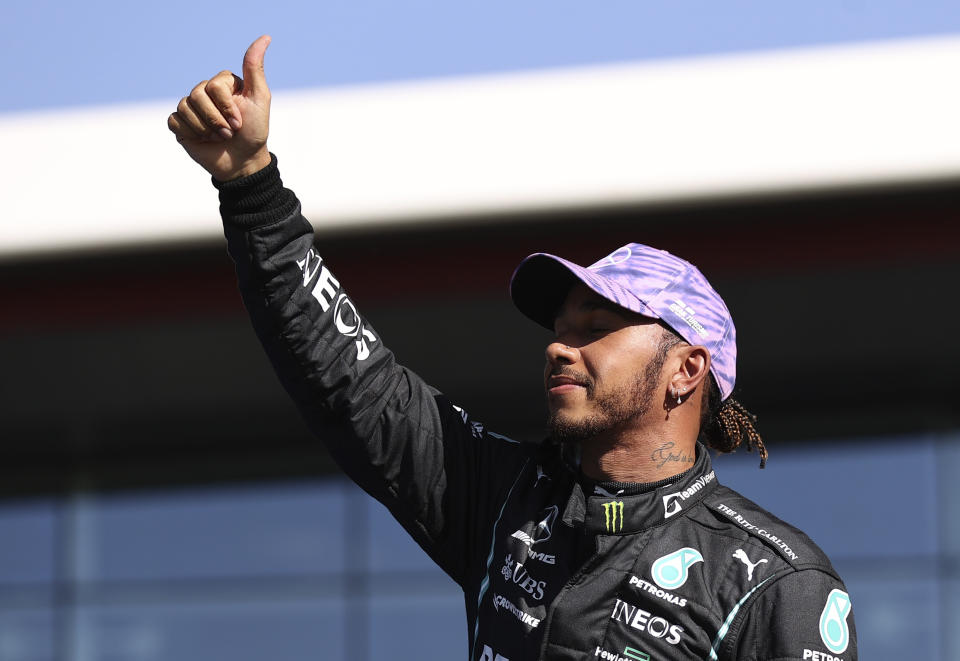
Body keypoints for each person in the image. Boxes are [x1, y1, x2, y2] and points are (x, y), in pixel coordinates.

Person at [168, 36, 857, 661]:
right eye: (559, 326)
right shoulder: (506, 499)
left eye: (595, 325)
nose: (561, 346)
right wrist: (250, 183)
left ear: (686, 369)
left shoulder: (776, 582)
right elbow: (347, 377)